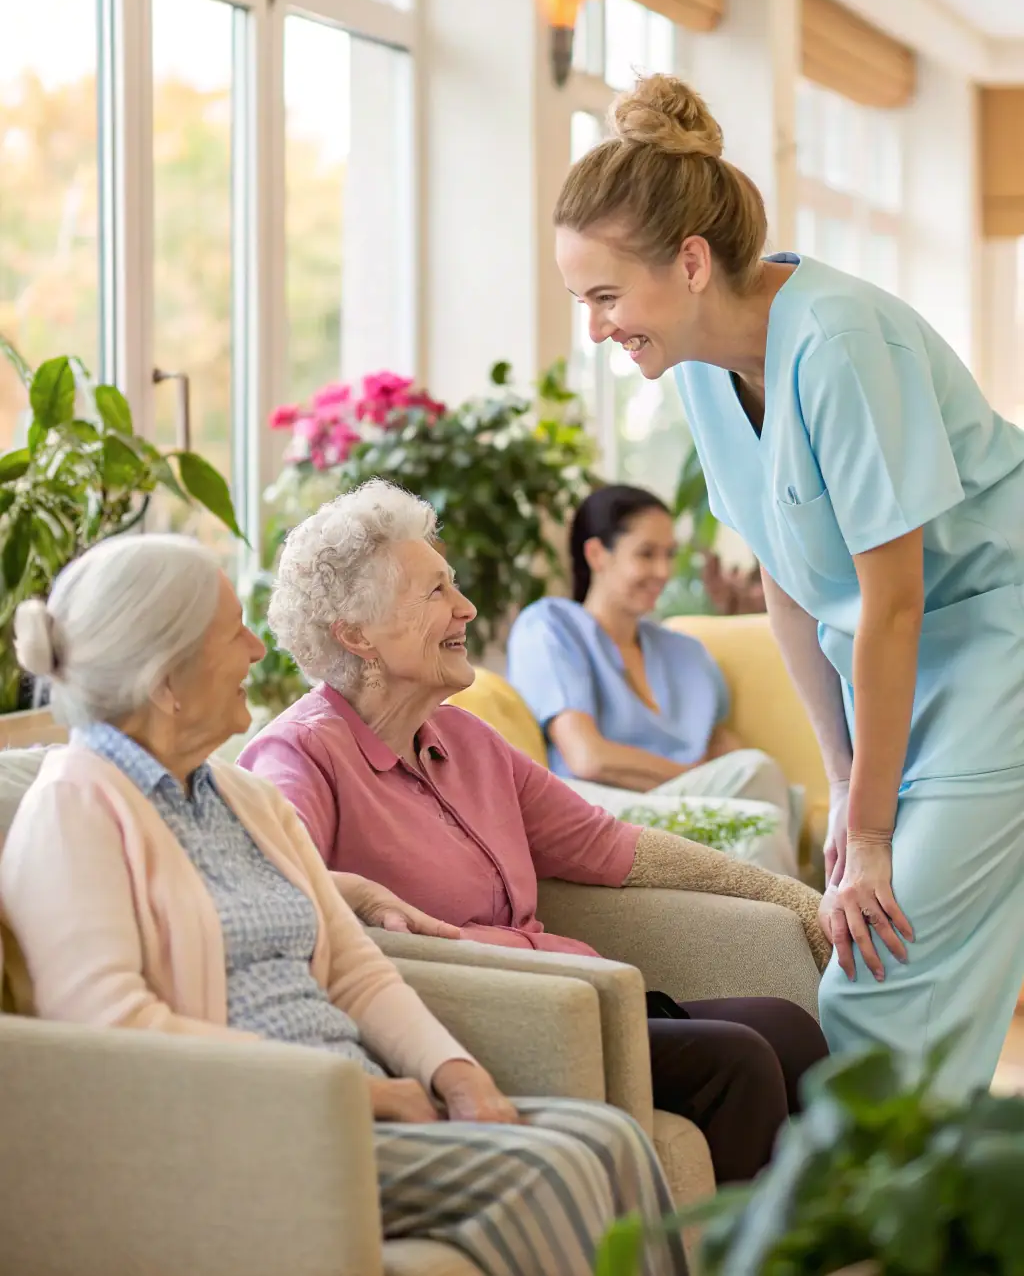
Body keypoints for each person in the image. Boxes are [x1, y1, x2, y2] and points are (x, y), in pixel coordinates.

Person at [0, 534, 687, 1276]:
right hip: (245, 1125)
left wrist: (457, 1072)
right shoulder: (74, 805)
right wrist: (352, 1091)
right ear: (167, 676)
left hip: (342, 1100)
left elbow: (356, 968)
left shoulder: (243, 795)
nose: (259, 650)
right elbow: (110, 1026)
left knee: (612, 1140)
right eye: (234, 631)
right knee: (549, 1173)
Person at [552, 72, 1024, 1095]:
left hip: (998, 640)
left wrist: (868, 832)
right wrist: (839, 790)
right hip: (902, 661)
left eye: (603, 298)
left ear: (687, 263)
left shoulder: (838, 340)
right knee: (885, 952)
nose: (595, 328)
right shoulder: (705, 371)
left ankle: (873, 1228)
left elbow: (891, 600)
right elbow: (788, 580)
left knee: (882, 960)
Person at [238, 480, 831, 1185]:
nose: (466, 608)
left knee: (788, 1024)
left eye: (453, 584)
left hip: (579, 989)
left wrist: (789, 897)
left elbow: (614, 846)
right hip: (488, 1016)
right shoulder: (300, 753)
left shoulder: (463, 737)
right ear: (356, 632)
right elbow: (269, 890)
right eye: (435, 593)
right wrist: (360, 895)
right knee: (738, 1060)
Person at [506, 484, 800, 875]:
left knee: (769, 802)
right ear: (596, 554)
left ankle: (777, 921)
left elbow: (724, 745)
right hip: (597, 808)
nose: (663, 572)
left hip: (681, 805)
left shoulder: (685, 652)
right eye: (646, 554)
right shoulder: (550, 626)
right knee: (755, 779)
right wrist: (710, 780)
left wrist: (726, 776)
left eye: (669, 556)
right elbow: (588, 757)